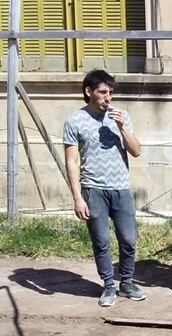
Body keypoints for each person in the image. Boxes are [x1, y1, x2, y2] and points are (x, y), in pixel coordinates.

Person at [63, 69, 145, 307]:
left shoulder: (121, 116)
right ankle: (108, 286)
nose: (108, 97)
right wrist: (77, 198)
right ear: (89, 92)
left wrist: (122, 128)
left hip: (121, 188)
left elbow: (136, 151)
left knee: (128, 239)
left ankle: (127, 282)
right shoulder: (74, 121)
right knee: (101, 241)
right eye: (102, 92)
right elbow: (72, 161)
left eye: (110, 92)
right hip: (93, 189)